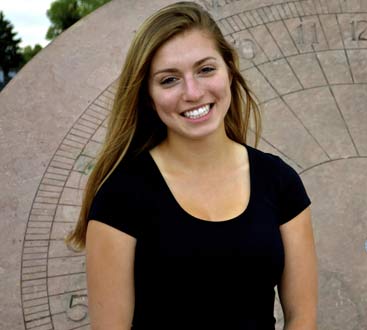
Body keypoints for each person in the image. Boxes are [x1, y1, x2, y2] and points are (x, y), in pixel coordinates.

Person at [65, 2, 317, 329]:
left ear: (229, 70)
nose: (193, 92)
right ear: (148, 96)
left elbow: (302, 317)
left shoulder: (280, 182)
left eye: (206, 69)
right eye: (169, 80)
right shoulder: (120, 197)